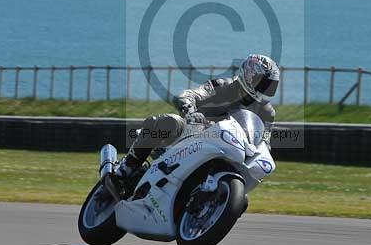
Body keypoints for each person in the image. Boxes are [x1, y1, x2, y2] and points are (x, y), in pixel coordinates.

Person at [104, 54, 280, 199]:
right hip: (196, 132)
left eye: (270, 86)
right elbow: (192, 94)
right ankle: (125, 170)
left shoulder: (267, 113)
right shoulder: (223, 86)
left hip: (233, 149)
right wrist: (189, 108)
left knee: (241, 200)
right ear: (250, 76)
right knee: (168, 121)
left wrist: (259, 162)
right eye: (264, 83)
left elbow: (264, 143)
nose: (267, 89)